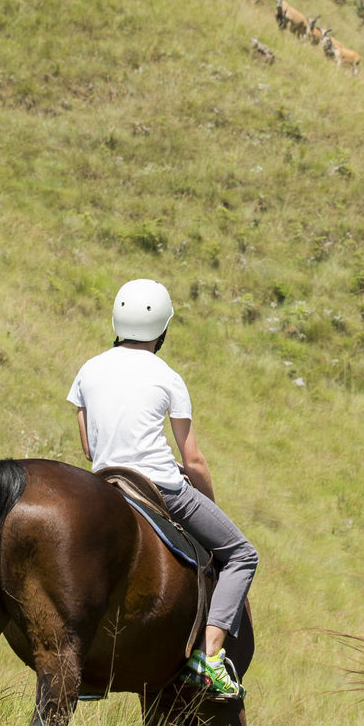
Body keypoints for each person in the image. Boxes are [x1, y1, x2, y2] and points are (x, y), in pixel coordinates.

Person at [66, 279, 258, 699]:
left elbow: (88, 448)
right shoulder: (168, 376)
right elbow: (193, 461)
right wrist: (207, 503)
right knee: (243, 554)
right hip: (162, 487)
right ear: (163, 329)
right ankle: (208, 659)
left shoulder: (89, 369)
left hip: (107, 483)